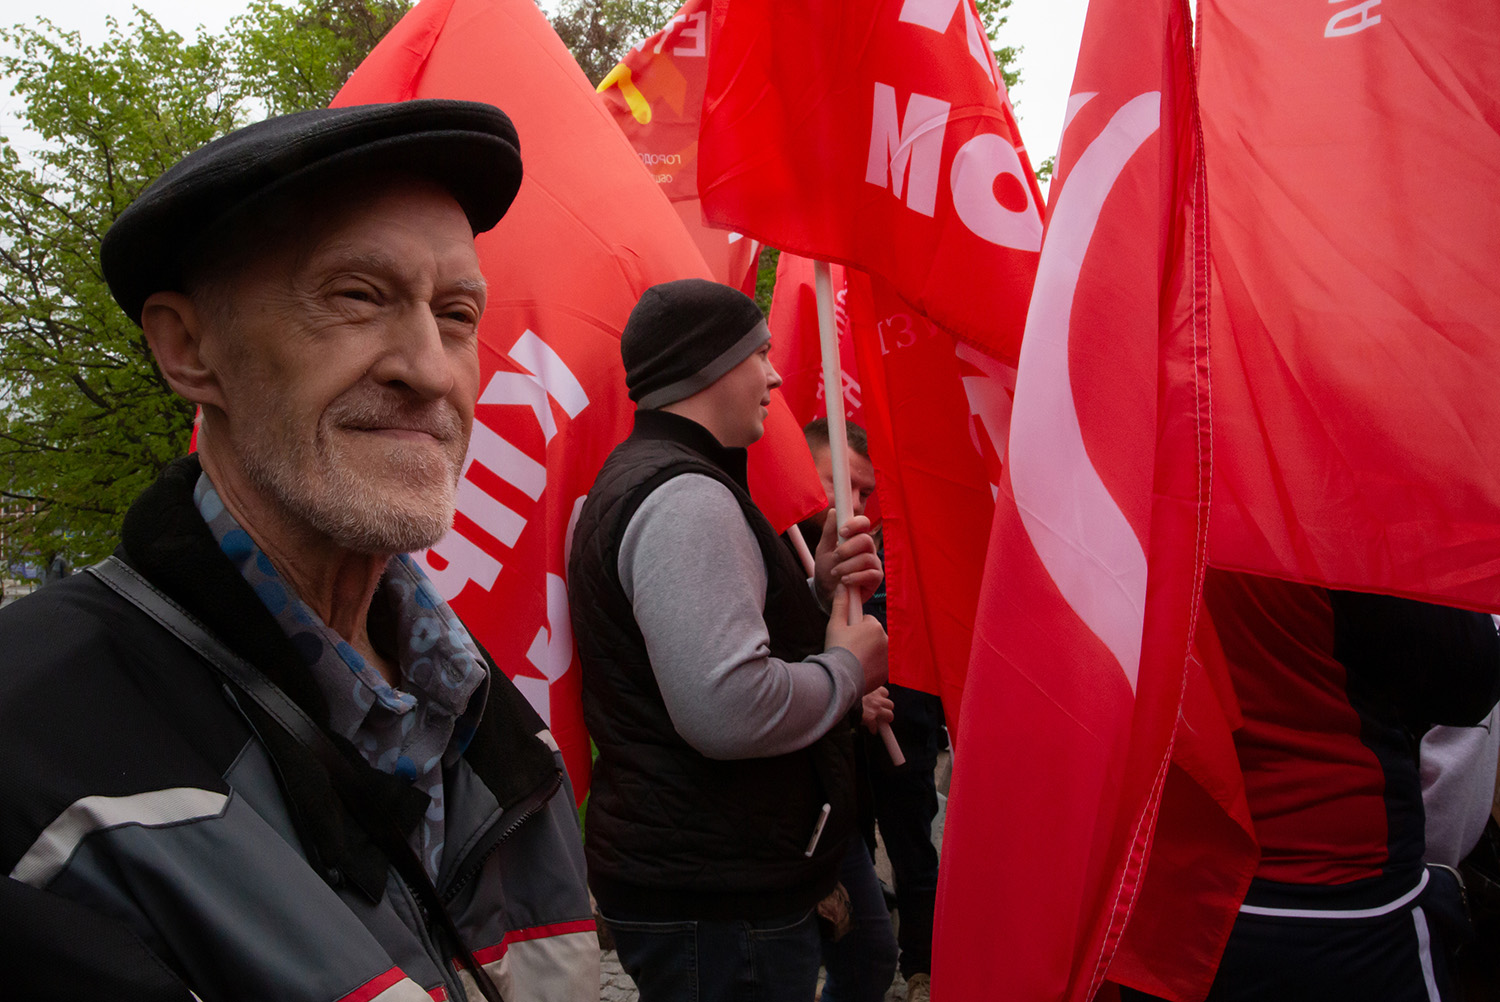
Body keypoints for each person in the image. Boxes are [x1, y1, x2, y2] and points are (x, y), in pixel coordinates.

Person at [0, 101, 599, 1002]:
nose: (432, 369)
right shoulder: (29, 739)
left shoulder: (491, 722)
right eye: (357, 296)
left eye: (459, 313)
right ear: (188, 347)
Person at [567, 278, 889, 1002]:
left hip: (709, 874)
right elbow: (728, 707)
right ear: (710, 365)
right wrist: (847, 668)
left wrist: (813, 593)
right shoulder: (686, 498)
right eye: (760, 355)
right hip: (716, 894)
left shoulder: (663, 481)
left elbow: (704, 647)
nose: (775, 375)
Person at [1122, 569, 1500, 1002]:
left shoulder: (1097, 504)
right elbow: (1468, 676)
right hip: (1334, 906)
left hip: (1153, 898)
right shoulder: (1327, 509)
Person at [803, 418, 944, 1002]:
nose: (856, 504)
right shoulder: (778, 546)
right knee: (848, 854)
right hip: (829, 743)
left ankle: (923, 962)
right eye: (841, 484)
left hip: (899, 716)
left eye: (865, 492)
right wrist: (847, 694)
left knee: (910, 841)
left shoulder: (888, 542)